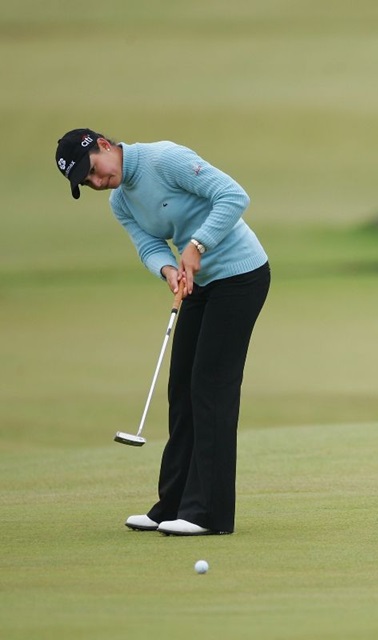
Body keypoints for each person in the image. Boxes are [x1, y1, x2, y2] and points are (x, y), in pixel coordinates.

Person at [55, 129, 270, 536]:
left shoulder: (164, 159)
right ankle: (172, 504)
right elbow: (148, 243)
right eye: (88, 182)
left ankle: (209, 514)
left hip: (242, 277)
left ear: (103, 145)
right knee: (182, 389)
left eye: (95, 172)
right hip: (198, 285)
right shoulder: (121, 201)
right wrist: (168, 269)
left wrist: (197, 245)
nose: (97, 183)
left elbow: (234, 195)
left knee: (211, 386)